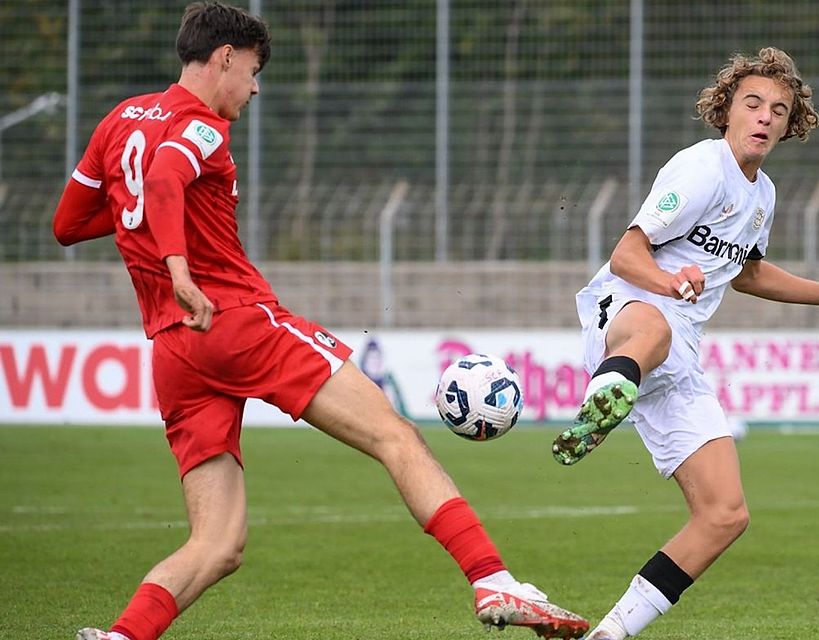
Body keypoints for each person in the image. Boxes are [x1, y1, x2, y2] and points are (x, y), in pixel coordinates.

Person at [52, 3, 588, 640]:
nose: (253, 88)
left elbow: (69, 224)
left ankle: (123, 637)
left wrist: (143, 224)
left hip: (173, 349)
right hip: (234, 323)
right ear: (225, 57)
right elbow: (167, 174)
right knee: (396, 437)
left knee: (218, 543)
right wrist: (179, 267)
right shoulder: (200, 127)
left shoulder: (119, 119)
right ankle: (493, 580)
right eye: (252, 72)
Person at [550, 47, 819, 639]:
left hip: (679, 353)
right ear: (726, 112)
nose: (765, 117)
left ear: (790, 126)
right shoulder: (701, 169)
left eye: (779, 110)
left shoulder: (761, 195)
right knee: (656, 329)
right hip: (629, 311)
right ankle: (605, 396)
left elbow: (748, 272)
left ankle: (609, 634)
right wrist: (670, 281)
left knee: (724, 515)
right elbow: (626, 252)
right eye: (753, 104)